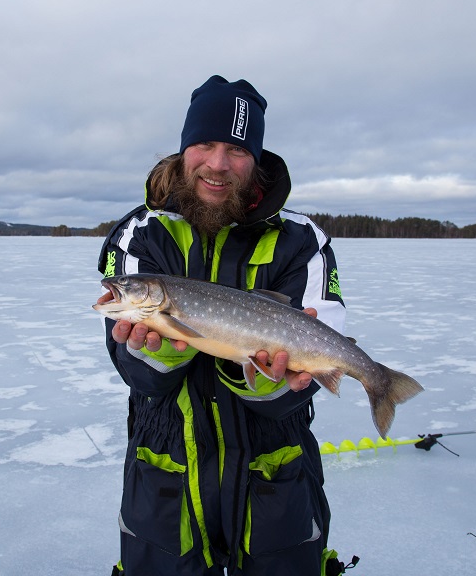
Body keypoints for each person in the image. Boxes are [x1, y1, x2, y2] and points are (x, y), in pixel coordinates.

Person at [97, 75, 351, 575]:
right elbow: (140, 376)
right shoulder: (138, 235)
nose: (217, 163)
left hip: (275, 480)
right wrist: (158, 349)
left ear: (255, 161)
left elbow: (302, 386)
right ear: (183, 149)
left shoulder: (301, 242)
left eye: (236, 149)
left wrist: (270, 379)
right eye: (205, 144)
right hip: (163, 480)